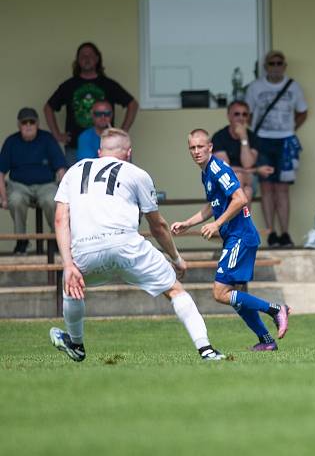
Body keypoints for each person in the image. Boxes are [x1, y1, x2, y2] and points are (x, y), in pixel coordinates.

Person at [48, 128, 225, 362]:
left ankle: (76, 344)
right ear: (129, 152)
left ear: (100, 152)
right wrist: (176, 258)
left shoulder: (74, 171)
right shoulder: (136, 173)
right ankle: (207, 350)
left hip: (85, 248)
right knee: (174, 290)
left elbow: (61, 219)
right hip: (126, 244)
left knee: (71, 286)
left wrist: (68, 264)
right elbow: (158, 226)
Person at [171, 129, 290, 351]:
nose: (196, 151)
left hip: (241, 237)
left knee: (220, 292)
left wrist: (217, 224)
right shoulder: (206, 172)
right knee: (234, 296)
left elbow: (241, 199)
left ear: (210, 147)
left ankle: (275, 309)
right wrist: (188, 223)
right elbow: (212, 205)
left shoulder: (216, 168)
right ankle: (266, 340)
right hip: (235, 237)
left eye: (200, 147)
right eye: (192, 148)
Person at [245, 50, 308, 247]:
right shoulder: (255, 87)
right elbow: (246, 113)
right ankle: (271, 233)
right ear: (265, 67)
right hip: (262, 141)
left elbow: (303, 112)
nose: (276, 66)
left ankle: (285, 233)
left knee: (282, 190)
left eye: (279, 63)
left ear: (284, 66)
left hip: (285, 142)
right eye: (271, 63)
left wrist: (290, 129)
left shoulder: (293, 87)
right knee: (266, 188)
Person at [44, 42, 139, 166]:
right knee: (79, 183)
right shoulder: (69, 86)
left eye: (90, 55)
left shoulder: (108, 84)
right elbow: (48, 108)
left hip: (109, 146)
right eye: (83, 56)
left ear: (97, 59)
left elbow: (133, 104)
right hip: (75, 147)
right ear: (77, 60)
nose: (86, 59)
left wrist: (122, 132)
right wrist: (57, 135)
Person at [0, 108, 66, 254]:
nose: (28, 125)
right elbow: (1, 172)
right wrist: (4, 198)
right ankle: (21, 241)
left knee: (52, 199)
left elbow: (61, 169)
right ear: (19, 125)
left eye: (32, 122)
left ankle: (56, 239)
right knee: (15, 200)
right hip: (19, 186)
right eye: (24, 122)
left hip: (46, 185)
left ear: (38, 124)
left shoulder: (47, 139)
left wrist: (64, 194)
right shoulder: (11, 141)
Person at [211, 100, 274, 201]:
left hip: (247, 179)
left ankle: (237, 216)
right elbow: (225, 169)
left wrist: (244, 138)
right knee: (245, 188)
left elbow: (247, 163)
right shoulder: (219, 137)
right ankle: (242, 217)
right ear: (229, 116)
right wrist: (256, 170)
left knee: (243, 183)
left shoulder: (252, 137)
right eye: (237, 114)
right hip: (223, 181)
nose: (241, 118)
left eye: (245, 114)